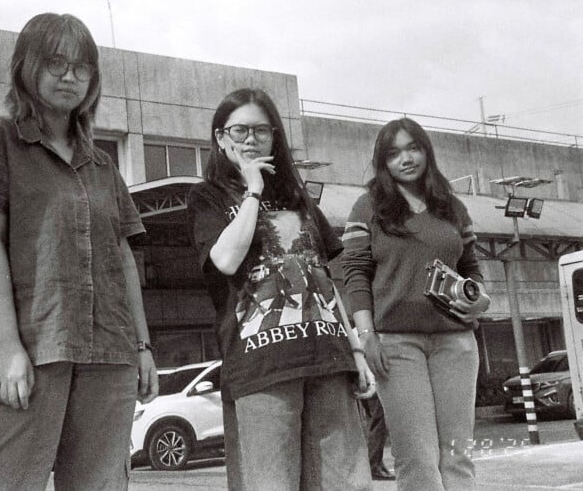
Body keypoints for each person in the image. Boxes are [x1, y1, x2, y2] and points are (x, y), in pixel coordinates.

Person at [0, 12, 158, 491]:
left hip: (111, 352)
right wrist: (7, 349)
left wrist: (143, 346)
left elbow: (124, 259)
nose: (70, 76)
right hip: (31, 348)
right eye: (56, 63)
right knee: (2, 483)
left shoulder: (103, 164)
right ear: (27, 67)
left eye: (82, 67)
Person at [188, 88, 374, 491]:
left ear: (276, 137)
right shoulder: (207, 197)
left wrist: (355, 349)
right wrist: (252, 189)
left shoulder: (298, 198)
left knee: (347, 483)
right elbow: (225, 261)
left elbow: (324, 277)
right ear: (221, 137)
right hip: (261, 364)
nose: (251, 139)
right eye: (240, 130)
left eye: (262, 130)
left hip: (327, 356)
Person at [341, 117, 491, 491]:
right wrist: (366, 336)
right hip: (396, 345)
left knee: (457, 454)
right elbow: (355, 274)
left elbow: (470, 268)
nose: (405, 159)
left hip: (456, 343)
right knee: (417, 458)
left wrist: (480, 299)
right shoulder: (367, 207)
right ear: (383, 161)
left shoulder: (453, 208)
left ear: (426, 151)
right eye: (393, 153)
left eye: (413, 148)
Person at [361, 393, 395, 481]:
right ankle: (374, 464)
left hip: (369, 386)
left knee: (376, 419)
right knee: (378, 420)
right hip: (374, 386)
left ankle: (376, 463)